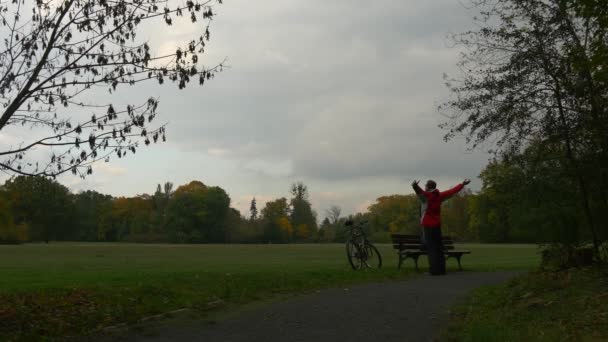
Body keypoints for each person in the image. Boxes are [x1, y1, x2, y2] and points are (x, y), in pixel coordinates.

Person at [412, 178, 470, 275]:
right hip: (437, 225)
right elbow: (452, 191)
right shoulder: (440, 196)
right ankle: (441, 270)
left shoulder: (426, 196)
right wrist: (462, 184)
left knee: (431, 248)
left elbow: (420, 192)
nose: (424, 187)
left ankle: (434, 271)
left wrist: (414, 185)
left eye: (425, 185)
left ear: (428, 187)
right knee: (439, 248)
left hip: (427, 225)